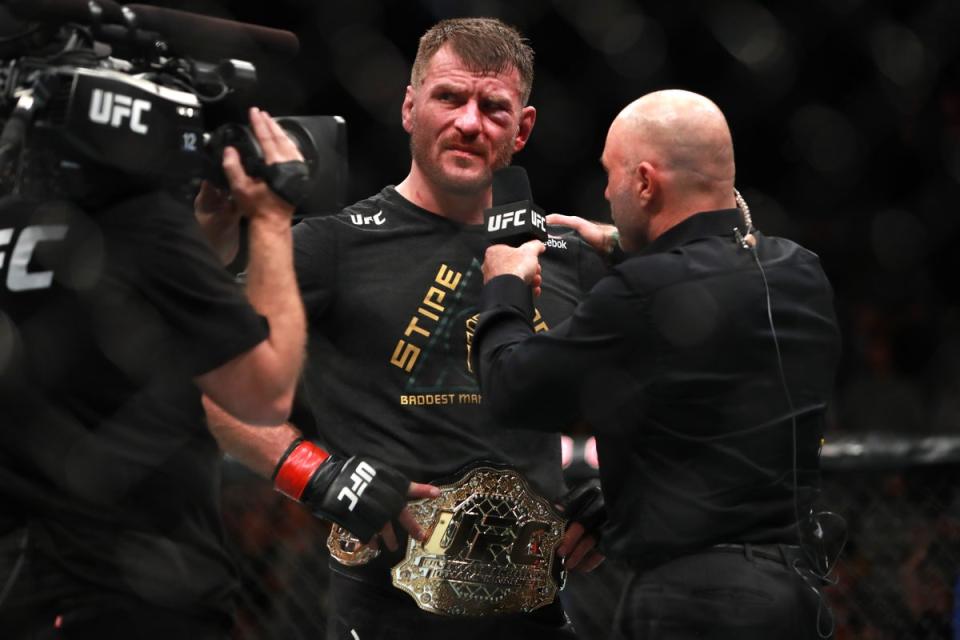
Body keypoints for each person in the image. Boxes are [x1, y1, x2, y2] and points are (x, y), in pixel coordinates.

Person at [205, 17, 606, 640]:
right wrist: (315, 474)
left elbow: (655, 387)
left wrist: (623, 492)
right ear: (409, 108)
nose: (469, 123)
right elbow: (209, 376)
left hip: (537, 614)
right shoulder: (330, 246)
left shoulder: (564, 253)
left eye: (493, 107)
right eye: (449, 98)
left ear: (522, 129)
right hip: (384, 614)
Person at [0, 104, 401, 639]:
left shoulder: (30, 230)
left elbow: (163, 335)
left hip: (32, 576)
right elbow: (262, 393)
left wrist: (206, 233)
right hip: (127, 587)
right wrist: (272, 218)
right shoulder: (141, 225)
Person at [473, 89, 843, 639]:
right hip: (795, 595)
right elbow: (714, 279)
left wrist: (504, 282)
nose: (606, 191)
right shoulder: (801, 271)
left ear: (645, 183)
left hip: (691, 603)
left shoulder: (638, 295)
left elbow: (511, 388)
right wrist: (623, 245)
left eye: (612, 175)